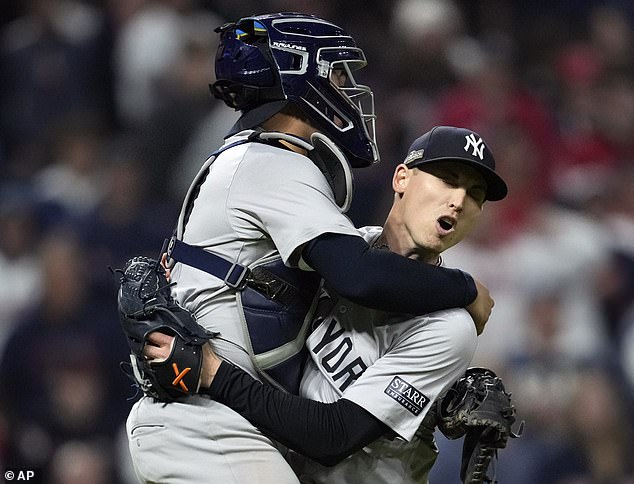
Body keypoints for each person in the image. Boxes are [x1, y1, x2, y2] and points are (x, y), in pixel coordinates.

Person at [127, 12, 496, 484]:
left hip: (229, 423)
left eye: (476, 196)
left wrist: (435, 395)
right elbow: (361, 277)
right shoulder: (275, 165)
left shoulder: (259, 168)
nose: (458, 200)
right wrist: (467, 287)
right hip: (208, 422)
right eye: (339, 74)